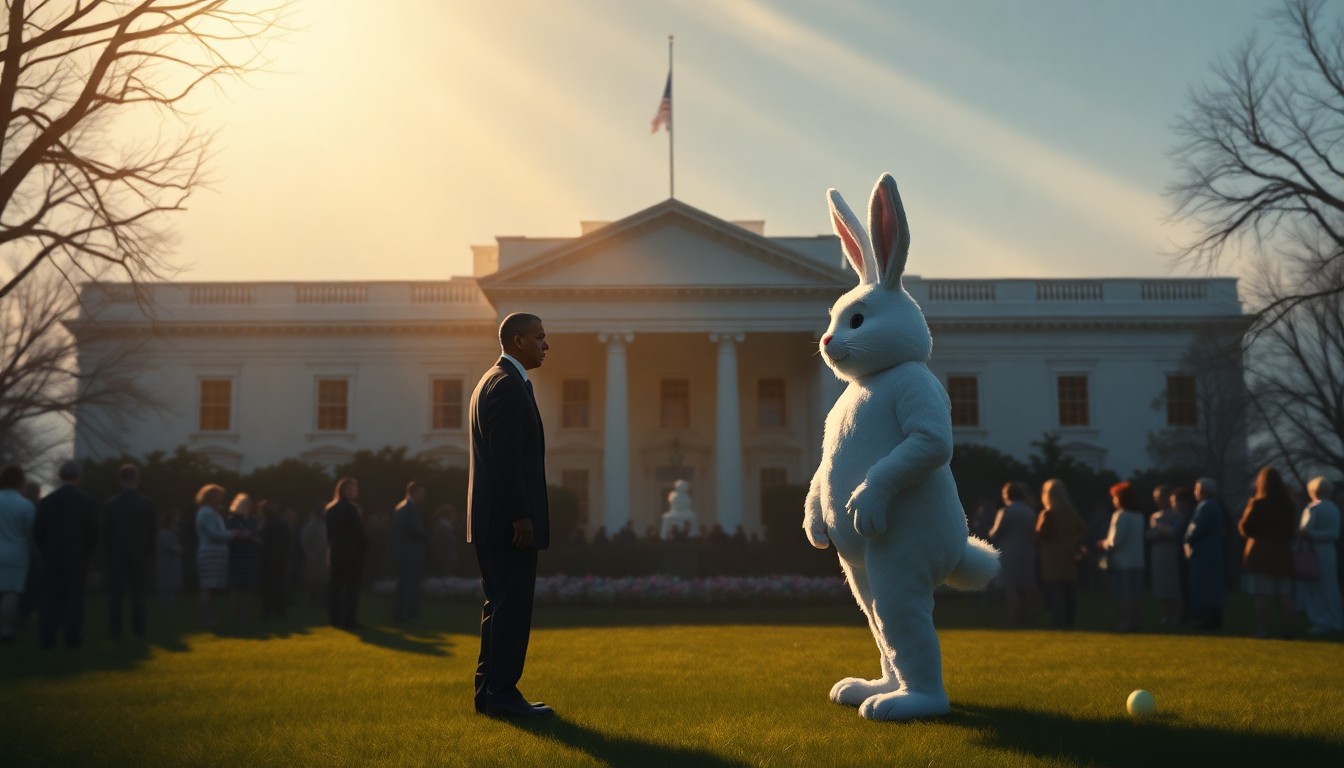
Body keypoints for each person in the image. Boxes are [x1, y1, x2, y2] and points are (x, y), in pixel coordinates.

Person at [468, 312, 553, 718]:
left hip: (492, 520)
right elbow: (506, 459)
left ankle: (489, 693)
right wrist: (521, 515)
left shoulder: (493, 381)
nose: (545, 345)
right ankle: (502, 695)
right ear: (518, 341)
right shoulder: (506, 385)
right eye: (539, 337)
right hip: (507, 524)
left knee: (498, 607)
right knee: (512, 609)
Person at [33, 461, 99, 648]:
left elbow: (38, 531)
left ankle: (47, 638)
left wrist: (45, 550)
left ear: (60, 477)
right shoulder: (88, 502)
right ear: (78, 477)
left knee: (49, 600)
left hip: (52, 556)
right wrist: (88, 553)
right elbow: (93, 532)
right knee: (75, 600)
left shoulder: (47, 502)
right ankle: (73, 638)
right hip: (78, 558)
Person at [1239, 466, 1297, 639]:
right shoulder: (1288, 504)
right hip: (1282, 553)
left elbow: (1245, 528)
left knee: (1262, 594)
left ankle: (1262, 630)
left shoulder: (1258, 503)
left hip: (1261, 554)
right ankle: (1287, 629)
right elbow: (1291, 530)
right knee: (1284, 594)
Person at [103, 463, 155, 640]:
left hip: (117, 553)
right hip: (139, 553)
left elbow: (106, 532)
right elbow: (151, 532)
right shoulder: (146, 503)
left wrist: (107, 554)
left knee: (115, 594)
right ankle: (138, 629)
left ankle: (115, 630)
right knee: (138, 593)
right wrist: (150, 554)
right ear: (137, 480)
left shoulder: (111, 504)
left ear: (120, 481)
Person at [1035, 478, 1085, 629]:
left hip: (1051, 555)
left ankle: (1058, 619)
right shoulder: (1071, 512)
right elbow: (1083, 528)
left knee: (1055, 590)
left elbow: (1040, 533)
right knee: (1069, 590)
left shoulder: (1048, 513)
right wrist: (1074, 541)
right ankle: (1069, 620)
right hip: (1068, 554)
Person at [1098, 481, 1145, 632]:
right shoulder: (1139, 516)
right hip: (1138, 561)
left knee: (1126, 594)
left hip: (1123, 562)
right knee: (1137, 594)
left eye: (1115, 497)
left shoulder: (1120, 516)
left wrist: (1104, 544)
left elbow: (1115, 541)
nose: (1113, 500)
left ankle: (1127, 623)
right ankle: (1137, 622)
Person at [988, 481, 1037, 627]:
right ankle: (1027, 615)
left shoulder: (1005, 511)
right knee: (1025, 584)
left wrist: (990, 533)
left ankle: (1013, 617)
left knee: (1011, 586)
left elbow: (995, 532)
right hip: (1028, 550)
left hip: (1010, 550)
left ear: (1007, 495)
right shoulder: (1029, 512)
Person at [1297, 476, 1341, 635]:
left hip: (1312, 551)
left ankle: (1322, 620)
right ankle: (1336, 619)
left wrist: (1309, 535)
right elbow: (1333, 533)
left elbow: (1304, 531)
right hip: (1328, 551)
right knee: (1330, 586)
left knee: (1315, 588)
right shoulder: (1333, 508)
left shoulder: (1313, 508)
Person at [195, 484, 241, 630]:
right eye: (218, 496)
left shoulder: (212, 512)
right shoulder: (206, 512)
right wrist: (232, 534)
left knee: (214, 588)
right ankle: (205, 619)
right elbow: (213, 533)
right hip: (210, 553)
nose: (221, 499)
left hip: (217, 553)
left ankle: (210, 618)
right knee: (209, 587)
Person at [325, 477, 368, 629]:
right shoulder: (351, 509)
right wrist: (365, 546)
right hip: (352, 554)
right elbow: (358, 533)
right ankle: (350, 619)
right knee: (351, 588)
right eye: (353, 489)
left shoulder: (330, 508)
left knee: (336, 588)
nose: (356, 492)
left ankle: (334, 618)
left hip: (336, 552)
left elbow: (329, 533)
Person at [0, 465, 36, 642]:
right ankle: (6, 631)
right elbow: (31, 531)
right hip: (16, 553)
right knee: (11, 593)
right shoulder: (25, 504)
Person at [1185, 477, 1227, 630]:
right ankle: (1210, 617)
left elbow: (1196, 528)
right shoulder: (1212, 506)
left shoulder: (1206, 507)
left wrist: (1187, 537)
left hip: (1204, 552)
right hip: (1209, 551)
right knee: (1209, 585)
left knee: (1204, 585)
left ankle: (1207, 618)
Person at [1146, 485, 1184, 626]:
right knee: (1160, 584)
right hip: (1158, 551)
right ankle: (1165, 615)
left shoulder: (1176, 515)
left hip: (1171, 552)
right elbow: (1149, 535)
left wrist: (1162, 530)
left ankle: (1176, 615)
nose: (1158, 501)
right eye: (1156, 498)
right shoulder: (1154, 516)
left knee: (1172, 584)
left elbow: (1175, 533)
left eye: (1161, 497)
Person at [393, 481, 428, 622]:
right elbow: (414, 531)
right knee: (408, 585)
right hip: (410, 553)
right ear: (413, 493)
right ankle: (405, 614)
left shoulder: (401, 507)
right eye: (421, 494)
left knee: (404, 585)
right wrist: (427, 536)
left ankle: (401, 612)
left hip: (404, 552)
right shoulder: (409, 508)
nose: (423, 497)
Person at [226, 493, 263, 623]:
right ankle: (236, 615)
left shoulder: (253, 521)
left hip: (250, 556)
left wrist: (251, 537)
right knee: (237, 587)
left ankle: (243, 615)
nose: (246, 506)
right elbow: (229, 537)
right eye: (243, 504)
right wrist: (242, 535)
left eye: (247, 504)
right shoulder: (231, 521)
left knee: (247, 588)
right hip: (237, 556)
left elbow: (260, 538)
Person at [259, 500, 291, 619]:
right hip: (280, 558)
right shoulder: (281, 522)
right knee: (279, 585)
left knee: (268, 586)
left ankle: (268, 610)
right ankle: (280, 610)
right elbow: (288, 539)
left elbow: (263, 540)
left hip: (268, 558)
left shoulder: (265, 523)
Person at [156, 508, 184, 608]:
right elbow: (169, 545)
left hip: (173, 561)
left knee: (172, 581)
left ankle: (170, 602)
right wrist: (179, 549)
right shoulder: (163, 532)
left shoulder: (173, 530)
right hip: (166, 561)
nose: (178, 520)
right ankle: (165, 603)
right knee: (167, 581)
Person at [300, 507, 328, 606]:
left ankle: (322, 599)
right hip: (314, 556)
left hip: (324, 556)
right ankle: (314, 600)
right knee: (315, 578)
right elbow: (305, 540)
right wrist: (309, 552)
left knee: (322, 578)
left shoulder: (325, 524)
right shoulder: (312, 525)